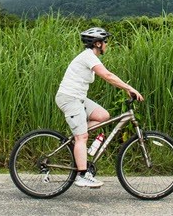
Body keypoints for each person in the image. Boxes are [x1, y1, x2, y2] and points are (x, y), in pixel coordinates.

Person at [55, 27, 144, 188]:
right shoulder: (88, 56)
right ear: (97, 44)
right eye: (105, 42)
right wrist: (129, 88)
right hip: (69, 98)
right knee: (82, 137)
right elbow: (107, 76)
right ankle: (81, 175)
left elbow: (107, 77)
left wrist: (125, 89)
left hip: (79, 98)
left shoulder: (90, 57)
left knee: (103, 116)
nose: (106, 45)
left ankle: (77, 137)